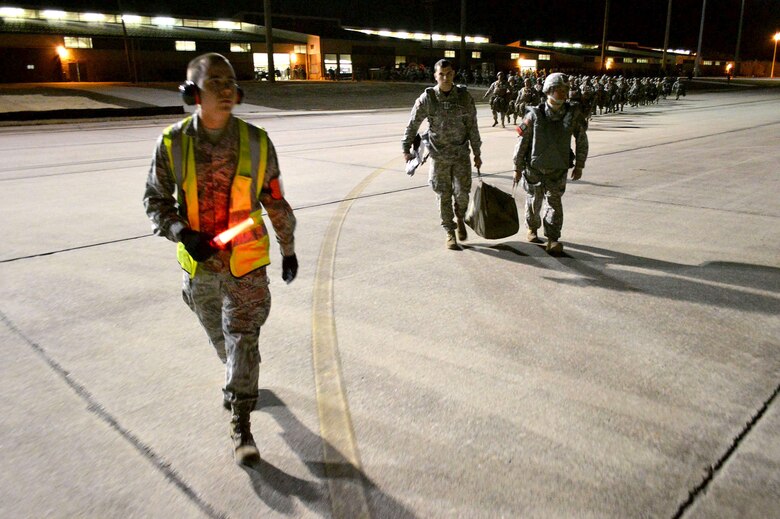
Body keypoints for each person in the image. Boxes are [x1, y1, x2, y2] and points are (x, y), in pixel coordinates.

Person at [143, 53, 297, 465]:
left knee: (242, 338)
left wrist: (288, 249)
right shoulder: (172, 143)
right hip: (199, 269)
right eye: (216, 83)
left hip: (245, 265)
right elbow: (154, 200)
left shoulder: (256, 141)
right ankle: (237, 378)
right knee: (223, 341)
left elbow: (276, 201)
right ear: (193, 93)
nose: (227, 90)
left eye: (231, 82)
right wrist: (182, 233)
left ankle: (241, 422)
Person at [402, 59, 482, 250]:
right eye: (441, 75)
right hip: (438, 156)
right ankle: (449, 231)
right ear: (435, 76)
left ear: (453, 74)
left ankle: (460, 216)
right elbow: (413, 123)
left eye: (448, 74)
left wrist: (477, 152)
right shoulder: (428, 99)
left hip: (461, 154)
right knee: (442, 194)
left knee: (463, 193)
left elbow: (472, 126)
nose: (445, 78)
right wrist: (406, 148)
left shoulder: (464, 97)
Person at [513, 72, 588, 255]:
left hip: (558, 168)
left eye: (565, 89)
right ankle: (532, 228)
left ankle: (553, 239)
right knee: (533, 202)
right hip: (534, 169)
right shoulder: (534, 115)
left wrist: (579, 164)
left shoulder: (572, 114)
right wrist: (517, 167)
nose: (563, 93)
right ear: (548, 90)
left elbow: (581, 139)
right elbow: (522, 142)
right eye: (558, 89)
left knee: (554, 204)